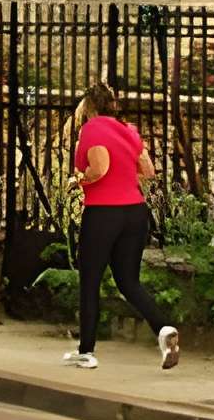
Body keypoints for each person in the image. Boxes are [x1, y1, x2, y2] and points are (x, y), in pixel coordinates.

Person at [64, 81, 179, 371]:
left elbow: (99, 168)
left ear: (89, 107)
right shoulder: (128, 131)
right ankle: (164, 329)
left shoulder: (91, 129)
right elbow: (149, 172)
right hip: (134, 212)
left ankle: (86, 351)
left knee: (90, 282)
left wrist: (80, 180)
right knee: (129, 282)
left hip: (103, 214)